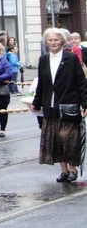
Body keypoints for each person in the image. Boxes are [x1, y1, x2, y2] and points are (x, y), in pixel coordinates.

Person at [31, 28, 87, 183]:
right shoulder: (43, 59)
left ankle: (73, 169)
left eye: (56, 40)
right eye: (50, 40)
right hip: (50, 106)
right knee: (56, 139)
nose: (53, 42)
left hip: (69, 104)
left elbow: (81, 82)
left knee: (68, 139)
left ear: (62, 41)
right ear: (46, 42)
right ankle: (63, 171)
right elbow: (41, 84)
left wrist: (84, 102)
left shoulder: (71, 58)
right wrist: (36, 102)